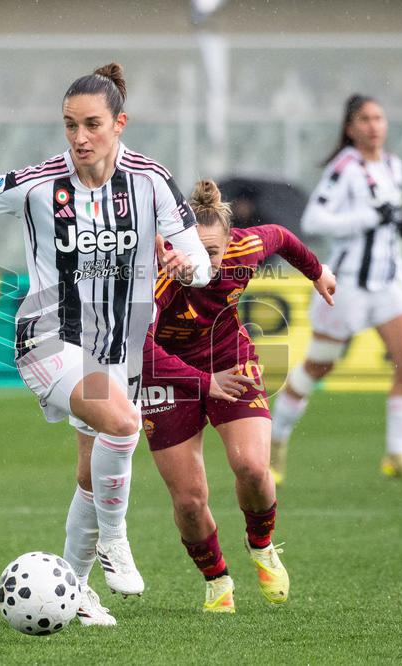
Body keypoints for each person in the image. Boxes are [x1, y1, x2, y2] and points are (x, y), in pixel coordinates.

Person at [0, 63, 213, 625]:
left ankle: (74, 589)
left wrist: (187, 269)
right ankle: (114, 539)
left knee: (91, 472)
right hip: (48, 336)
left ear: (119, 123)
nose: (79, 138)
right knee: (125, 425)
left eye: (91, 125)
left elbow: (199, 260)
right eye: (69, 125)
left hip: (117, 348)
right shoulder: (38, 184)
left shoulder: (152, 180)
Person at [138, 179, 335, 613]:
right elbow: (139, 352)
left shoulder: (246, 249)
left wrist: (317, 272)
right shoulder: (152, 278)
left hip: (230, 357)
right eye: (189, 249)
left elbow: (282, 237)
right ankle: (217, 579)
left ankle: (261, 545)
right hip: (167, 374)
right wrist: (205, 383)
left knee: (251, 466)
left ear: (231, 242)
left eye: (211, 252)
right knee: (189, 501)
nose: (199, 262)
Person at [269, 93, 402, 486]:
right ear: (350, 128)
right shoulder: (345, 168)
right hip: (347, 286)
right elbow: (315, 220)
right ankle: (275, 441)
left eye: (379, 118)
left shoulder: (394, 165)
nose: (374, 125)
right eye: (365, 119)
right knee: (319, 365)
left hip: (390, 281)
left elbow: (385, 219)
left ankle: (397, 454)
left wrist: (398, 222)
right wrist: (368, 217)